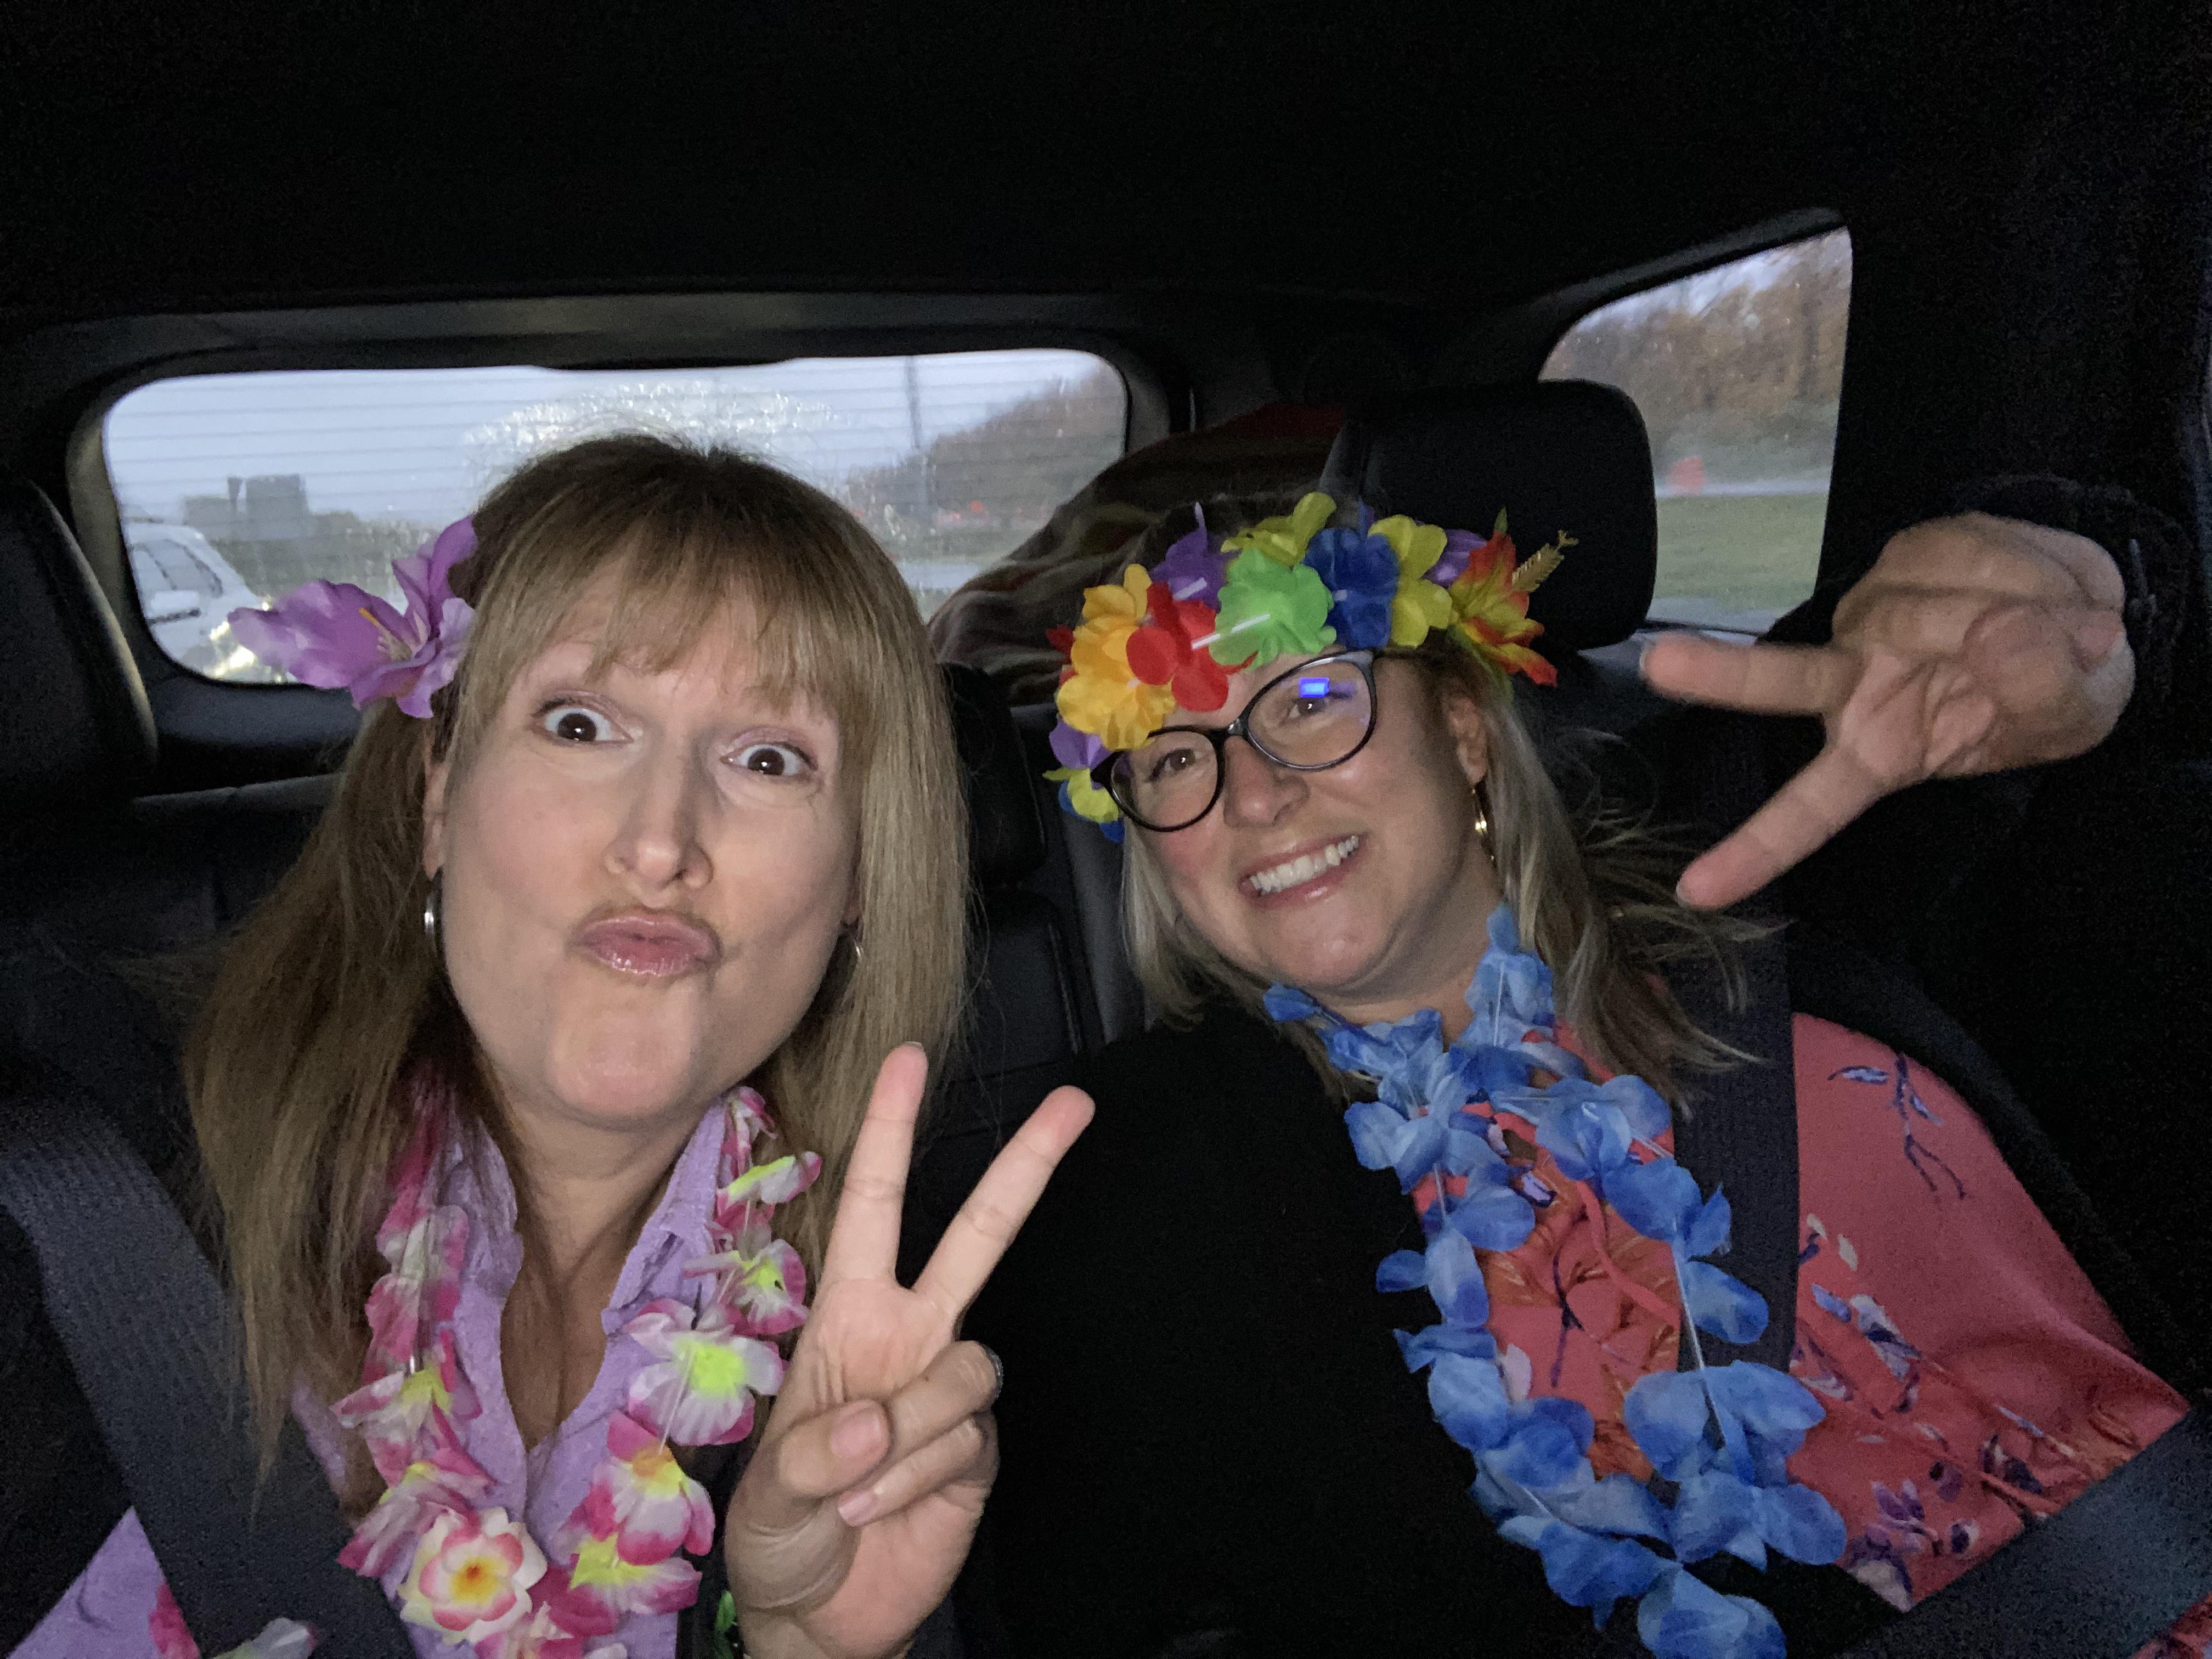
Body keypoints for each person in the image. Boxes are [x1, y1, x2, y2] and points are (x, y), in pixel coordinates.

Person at [972, 494, 2208, 1658]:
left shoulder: (1763, 844)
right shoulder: (1135, 1177)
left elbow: (2020, 666)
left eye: (1311, 697)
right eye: (1173, 759)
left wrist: (2085, 614)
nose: (1254, 793)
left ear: (1463, 727)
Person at [8, 436, 1092, 1659]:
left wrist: (801, 1645)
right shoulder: (75, 1194)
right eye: (580, 724)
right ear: (438, 796)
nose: (660, 843)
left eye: (769, 758)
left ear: (856, 879)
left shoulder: (866, 1348)